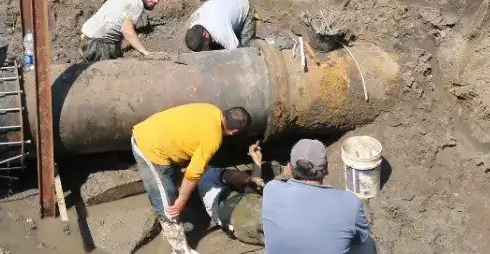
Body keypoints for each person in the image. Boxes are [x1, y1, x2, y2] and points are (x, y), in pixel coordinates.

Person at [131, 103, 251, 254]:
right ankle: (180, 249)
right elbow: (192, 174)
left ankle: (176, 227)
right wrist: (181, 202)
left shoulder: (211, 109)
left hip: (159, 137)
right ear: (234, 132)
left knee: (171, 189)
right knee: (168, 205)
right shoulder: (213, 138)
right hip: (150, 148)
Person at [261, 139, 376, 254]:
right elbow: (361, 238)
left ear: (289, 167)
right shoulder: (350, 203)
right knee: (368, 245)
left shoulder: (271, 190)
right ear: (326, 168)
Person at [79, 0, 166, 62]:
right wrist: (145, 52)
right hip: (99, 43)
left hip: (88, 38)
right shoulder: (137, 3)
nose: (156, 1)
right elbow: (127, 30)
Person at [198, 142, 266, 245]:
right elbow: (240, 177)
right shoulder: (206, 174)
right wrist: (250, 177)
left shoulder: (208, 186)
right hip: (241, 213)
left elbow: (253, 183)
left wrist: (256, 160)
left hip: (238, 227)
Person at [184, 0, 257, 52]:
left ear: (205, 34)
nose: (206, 50)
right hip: (224, 6)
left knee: (245, 48)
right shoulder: (190, 22)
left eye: (205, 47)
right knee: (216, 44)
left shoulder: (219, 32)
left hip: (243, 8)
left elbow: (237, 52)